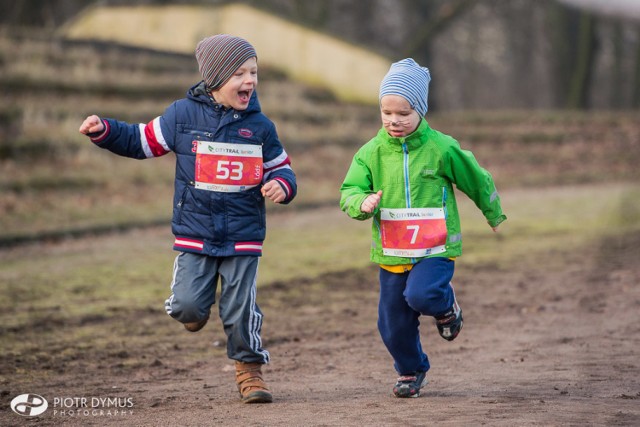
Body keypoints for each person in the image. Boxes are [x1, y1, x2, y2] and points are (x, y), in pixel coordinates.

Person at [79, 34, 297, 404]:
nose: (250, 81)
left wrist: (281, 185)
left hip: (243, 235)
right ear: (214, 78)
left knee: (239, 307)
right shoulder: (181, 115)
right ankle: (195, 309)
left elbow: (283, 169)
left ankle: (249, 371)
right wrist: (106, 132)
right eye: (239, 74)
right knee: (186, 306)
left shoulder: (261, 127)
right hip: (195, 232)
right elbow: (141, 140)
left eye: (254, 72)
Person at [339, 58, 506, 398]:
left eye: (403, 113)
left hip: (435, 248)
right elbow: (350, 191)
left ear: (420, 110)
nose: (393, 121)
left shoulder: (441, 148)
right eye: (386, 113)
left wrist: (493, 212)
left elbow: (476, 179)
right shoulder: (370, 153)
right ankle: (411, 370)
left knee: (422, 295)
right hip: (392, 251)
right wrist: (362, 203)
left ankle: (446, 307)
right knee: (391, 324)